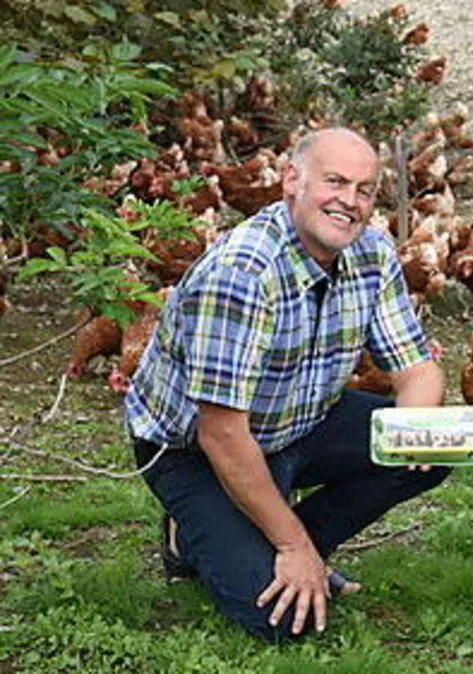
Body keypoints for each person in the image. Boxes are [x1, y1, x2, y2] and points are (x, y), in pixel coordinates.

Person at [124, 127, 450, 642]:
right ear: (292, 180)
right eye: (336, 181)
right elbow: (221, 434)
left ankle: (298, 548)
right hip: (197, 449)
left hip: (301, 417)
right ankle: (202, 538)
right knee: (280, 624)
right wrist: (290, 547)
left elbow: (417, 369)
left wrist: (415, 428)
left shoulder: (371, 251)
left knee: (441, 443)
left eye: (365, 190)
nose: (351, 201)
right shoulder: (243, 274)